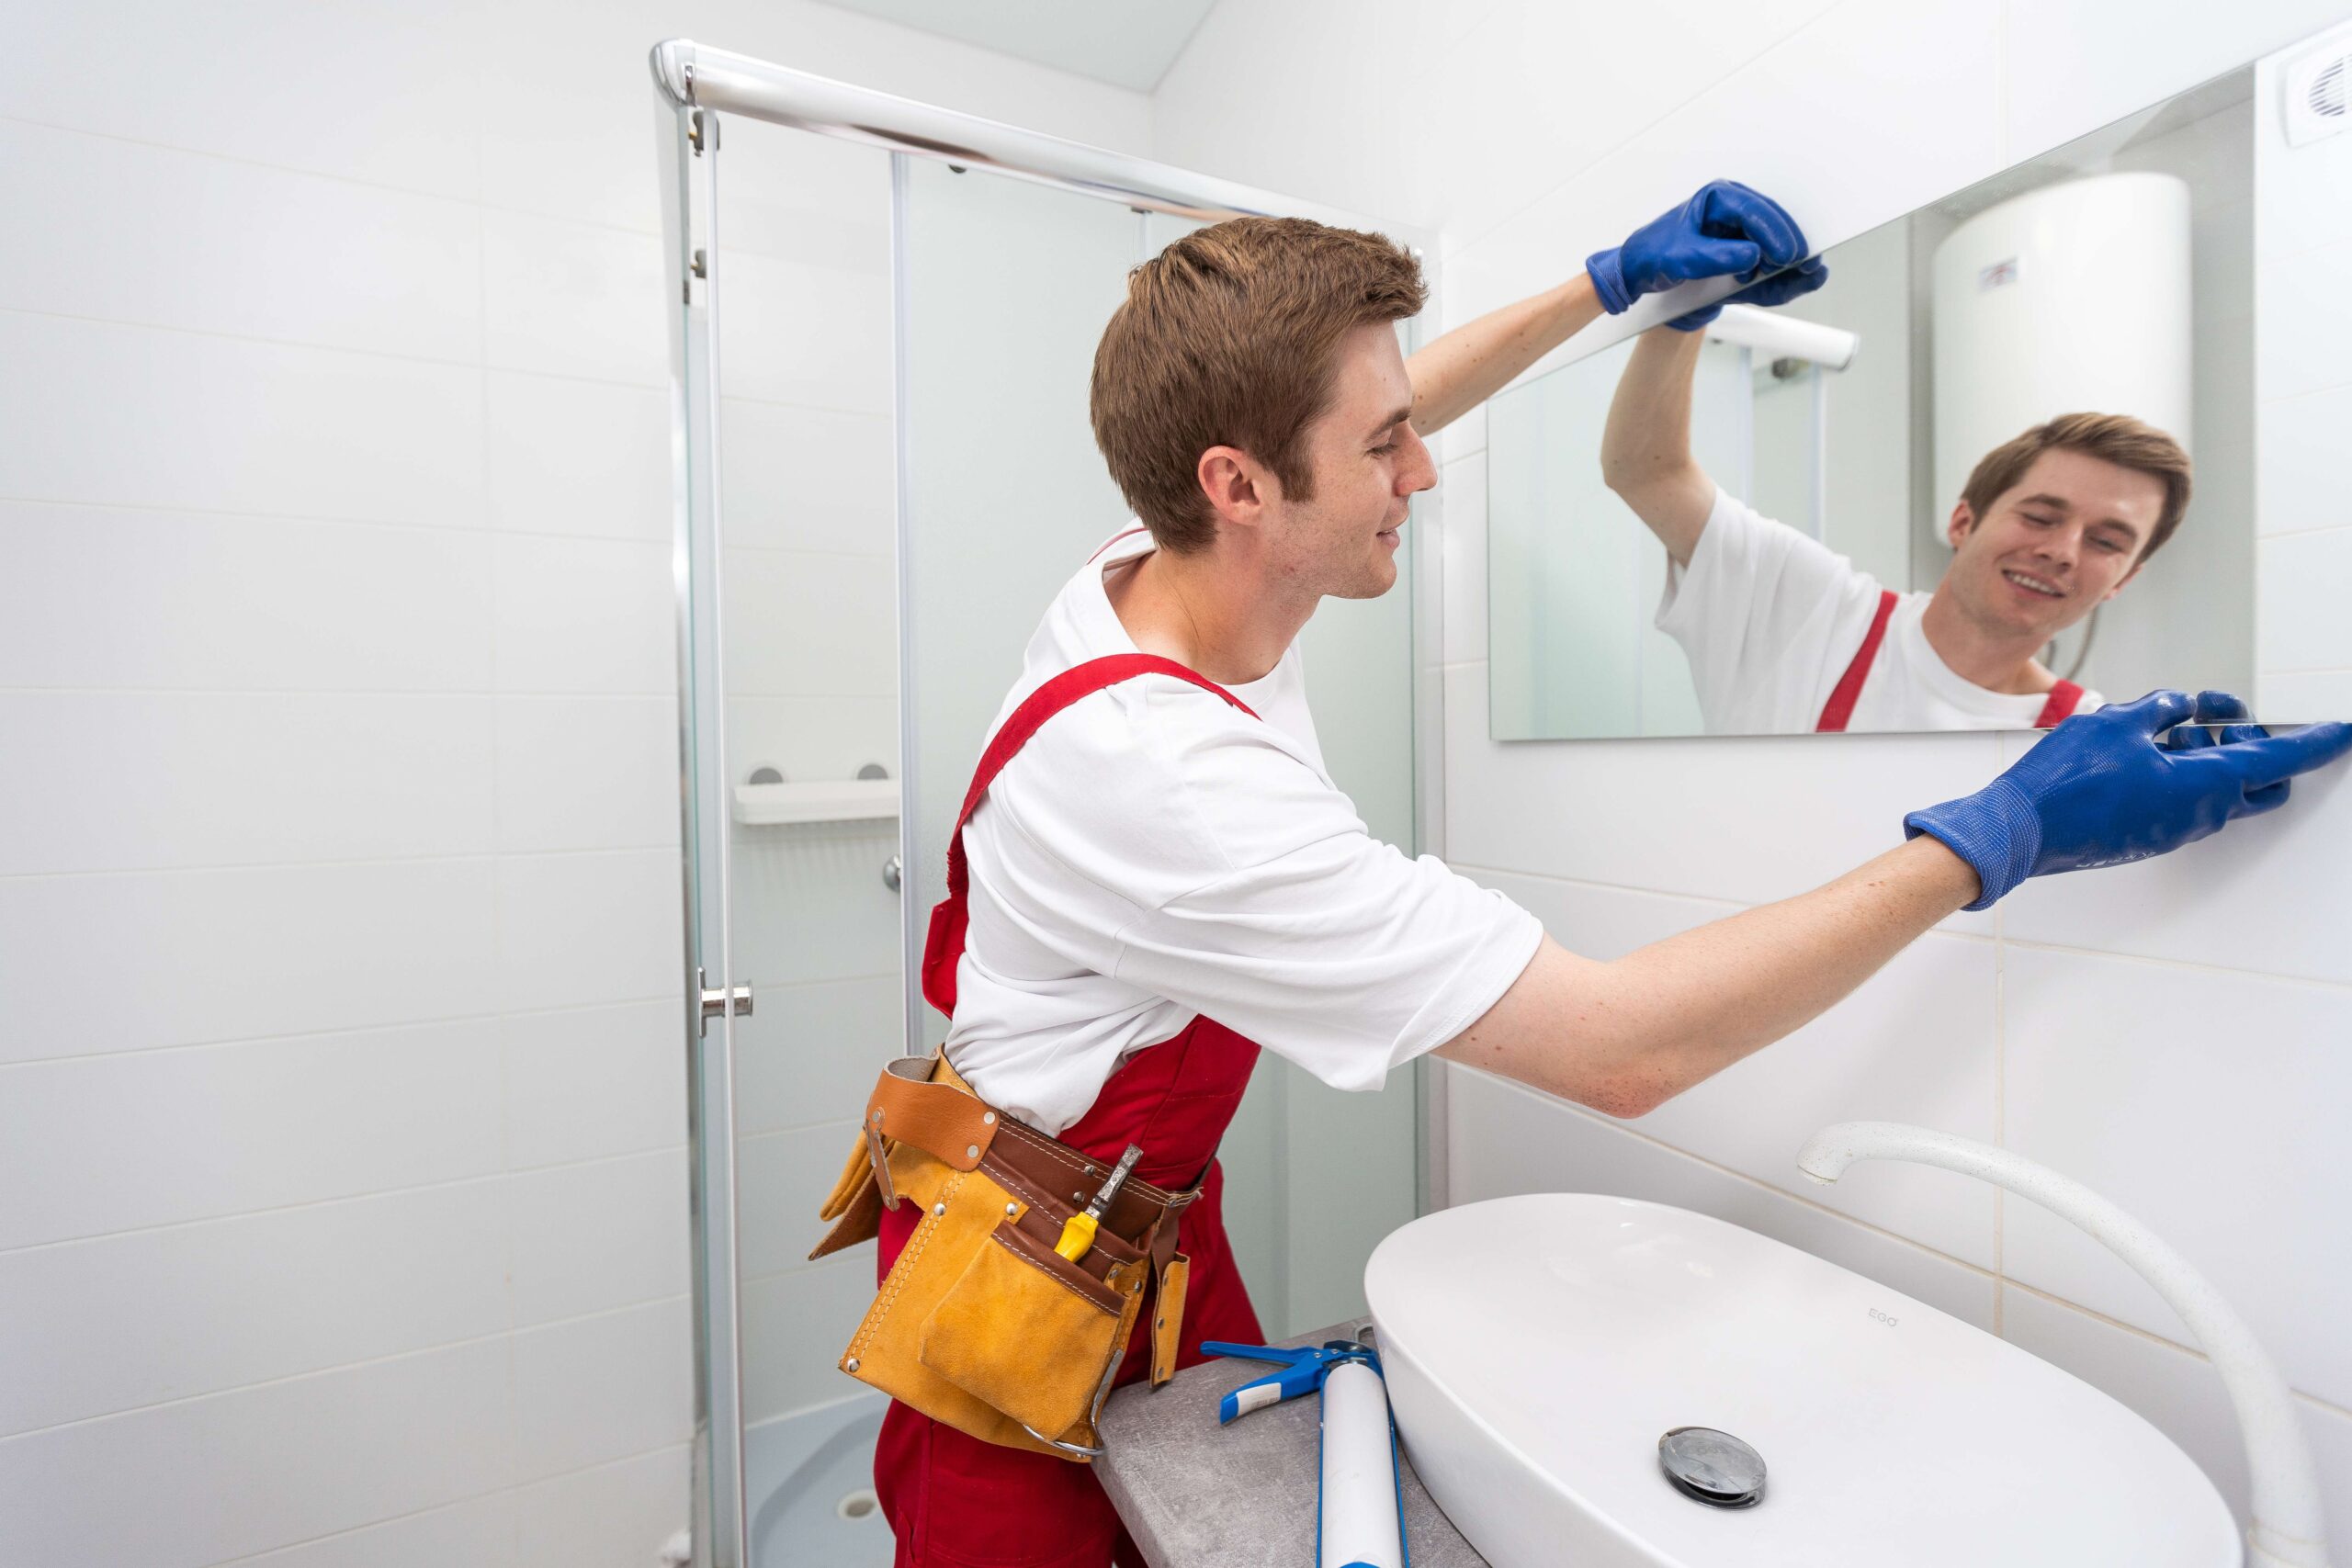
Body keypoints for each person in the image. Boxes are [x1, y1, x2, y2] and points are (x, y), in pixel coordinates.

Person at [872, 180, 2351, 1568]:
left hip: (1140, 1224)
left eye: (1407, 423)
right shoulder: (1166, 775)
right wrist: (2003, 831)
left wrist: (1606, 287)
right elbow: (1620, 1048)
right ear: (1241, 483)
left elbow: (1367, 414)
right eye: (1385, 445)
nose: (1423, 467)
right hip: (1019, 1284)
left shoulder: (1164, 556)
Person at [1600, 281, 2194, 733]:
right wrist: (1687, 306)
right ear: (1963, 521)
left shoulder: (2091, 739)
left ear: (2125, 578)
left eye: (2107, 541)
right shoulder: (1810, 608)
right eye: (2039, 516)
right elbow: (1647, 472)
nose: (2061, 551)